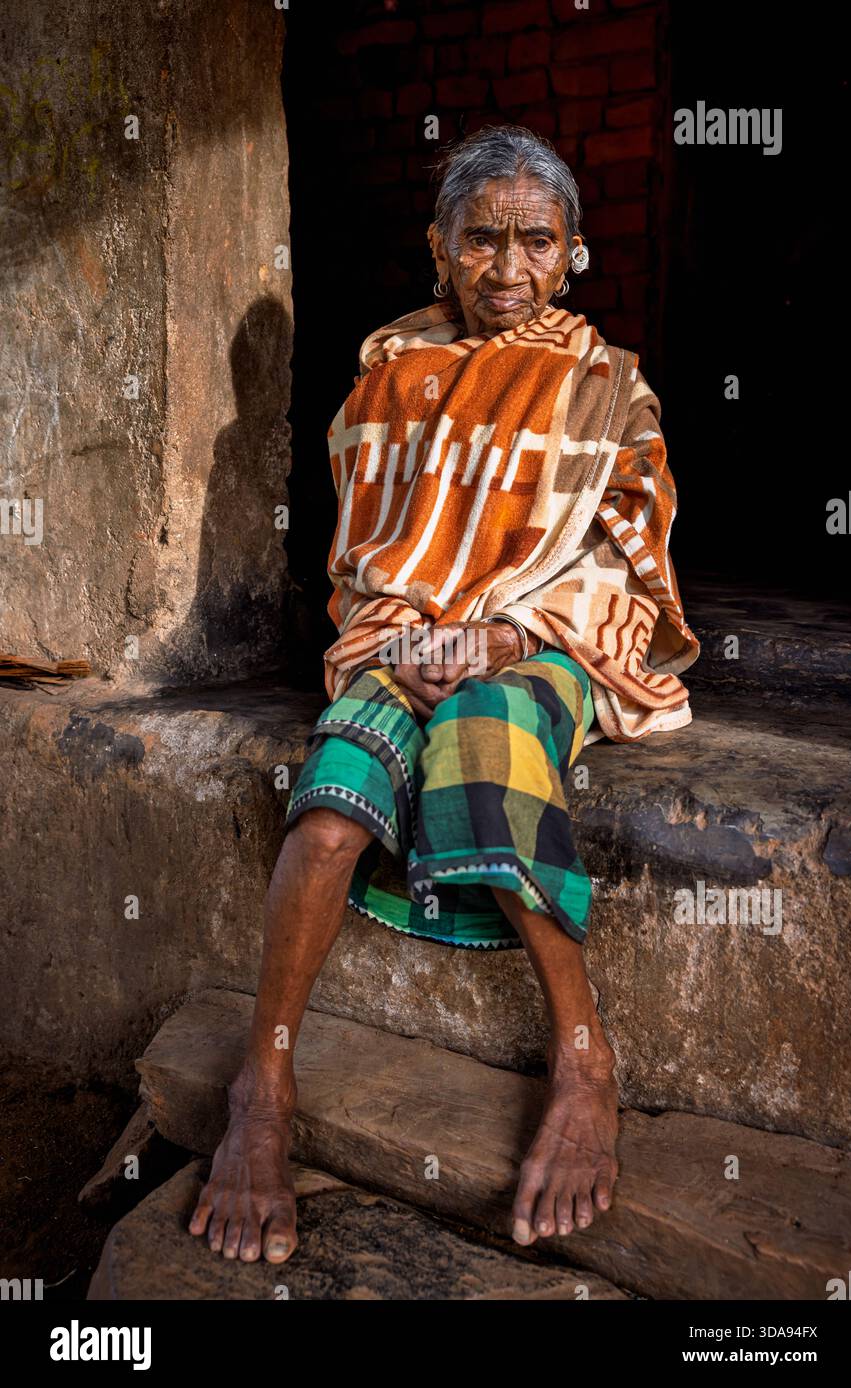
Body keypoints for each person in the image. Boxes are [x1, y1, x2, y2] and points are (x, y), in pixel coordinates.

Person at [189, 125, 699, 1264]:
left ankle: (582, 1053)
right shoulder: (388, 379)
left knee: (483, 733)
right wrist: (404, 635)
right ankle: (261, 1085)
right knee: (329, 811)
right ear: (438, 246)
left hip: (540, 637)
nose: (508, 266)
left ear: (571, 253)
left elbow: (631, 564)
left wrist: (508, 628)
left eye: (537, 240)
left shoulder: (605, 385)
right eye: (482, 237)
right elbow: (360, 558)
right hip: (403, 638)